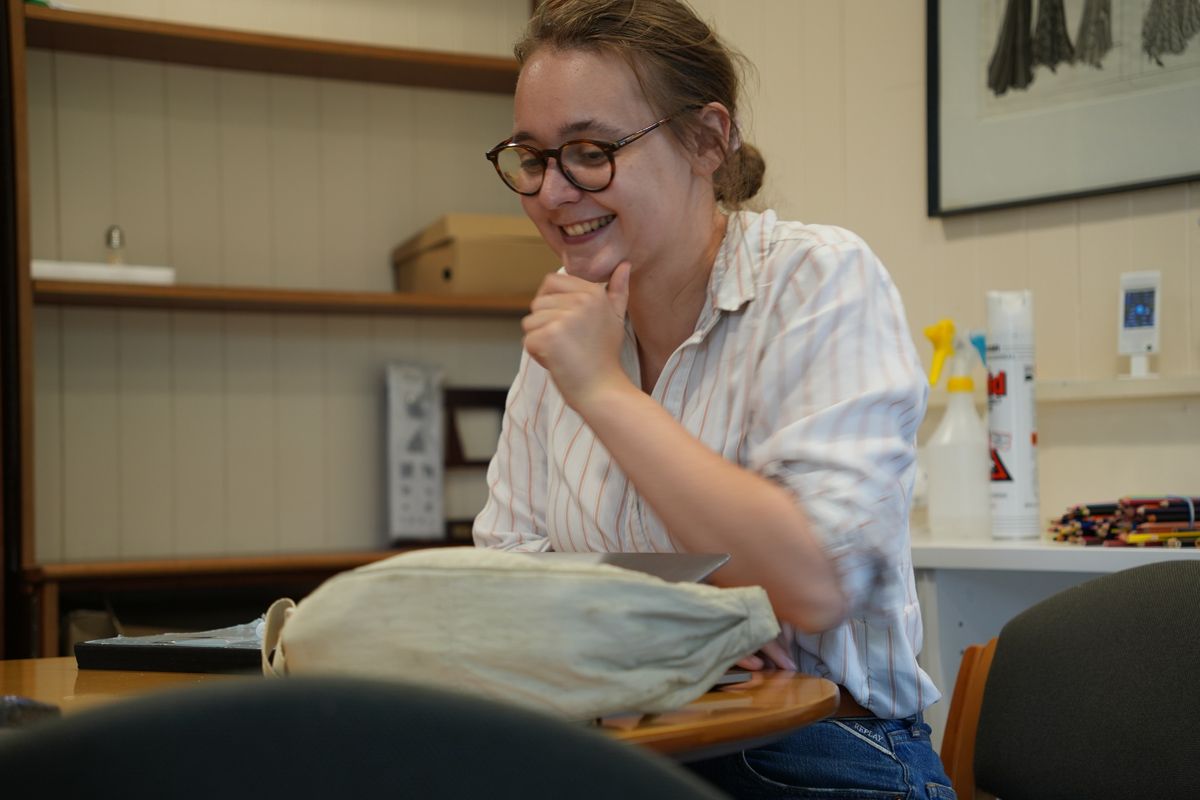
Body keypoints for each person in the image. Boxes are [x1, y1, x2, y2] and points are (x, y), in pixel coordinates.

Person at [473, 1, 954, 797]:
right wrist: (680, 636)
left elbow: (811, 583)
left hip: (822, 752)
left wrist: (600, 388)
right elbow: (509, 590)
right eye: (532, 156)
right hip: (619, 750)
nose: (553, 192)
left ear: (706, 139)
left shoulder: (816, 279)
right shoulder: (568, 323)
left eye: (591, 152)